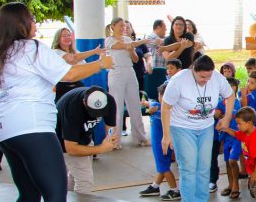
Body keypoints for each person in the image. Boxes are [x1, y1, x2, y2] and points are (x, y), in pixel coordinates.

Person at [0, 2, 114, 202]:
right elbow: (69, 75)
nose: (35, 24)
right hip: (32, 125)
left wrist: (86, 57)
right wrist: (101, 63)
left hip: (6, 130)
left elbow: (63, 65)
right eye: (31, 19)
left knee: (29, 193)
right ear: (20, 23)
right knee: (56, 192)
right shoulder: (31, 48)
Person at [160, 55, 234, 202]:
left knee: (203, 166)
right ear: (193, 70)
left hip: (206, 127)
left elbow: (230, 95)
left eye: (208, 76)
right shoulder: (179, 80)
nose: (205, 80)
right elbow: (165, 107)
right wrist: (166, 135)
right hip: (182, 127)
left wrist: (227, 117)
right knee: (188, 167)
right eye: (202, 76)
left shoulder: (216, 77)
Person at [55, 86, 118, 194]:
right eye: (93, 112)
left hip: (85, 135)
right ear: (84, 102)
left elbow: (111, 127)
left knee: (76, 175)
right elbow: (71, 148)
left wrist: (110, 139)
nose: (97, 116)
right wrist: (100, 149)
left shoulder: (109, 101)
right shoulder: (73, 109)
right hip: (63, 139)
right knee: (85, 180)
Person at [104, 18, 149, 147]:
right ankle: (115, 140)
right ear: (113, 27)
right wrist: (140, 42)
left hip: (129, 72)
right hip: (116, 72)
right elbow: (119, 46)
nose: (123, 28)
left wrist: (131, 49)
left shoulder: (129, 40)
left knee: (135, 105)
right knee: (116, 107)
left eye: (124, 26)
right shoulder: (109, 40)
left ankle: (140, 137)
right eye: (120, 26)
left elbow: (135, 59)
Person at [138, 83, 180, 201]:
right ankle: (155, 186)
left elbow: (151, 107)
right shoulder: (159, 105)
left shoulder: (165, 110)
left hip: (162, 144)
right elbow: (149, 104)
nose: (159, 97)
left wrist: (150, 108)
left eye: (160, 95)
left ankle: (175, 190)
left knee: (164, 167)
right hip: (160, 143)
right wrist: (145, 103)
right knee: (162, 165)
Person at [50, 27, 103, 100]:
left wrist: (95, 68)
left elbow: (81, 62)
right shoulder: (56, 52)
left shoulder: (75, 51)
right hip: (63, 87)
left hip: (78, 84)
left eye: (69, 35)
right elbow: (73, 58)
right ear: (58, 39)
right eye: (64, 36)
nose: (67, 37)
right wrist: (94, 51)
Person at [144, 19, 169, 100]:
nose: (166, 30)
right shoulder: (150, 38)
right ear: (158, 27)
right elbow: (163, 42)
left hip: (163, 70)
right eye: (164, 28)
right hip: (154, 71)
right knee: (155, 94)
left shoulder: (163, 39)